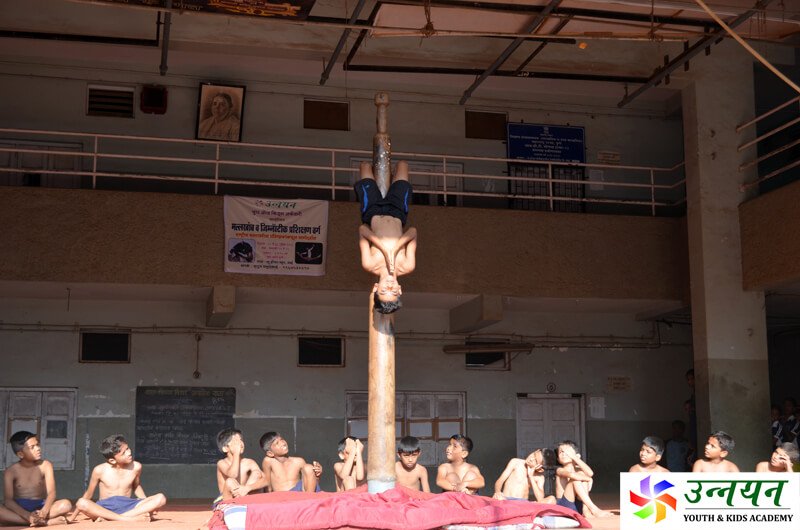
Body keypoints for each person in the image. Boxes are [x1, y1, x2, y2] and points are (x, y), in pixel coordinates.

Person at [355, 161, 417, 314]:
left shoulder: (370, 264)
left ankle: (385, 179)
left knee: (365, 166)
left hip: (373, 211)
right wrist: (396, 248)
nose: (389, 287)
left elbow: (362, 230)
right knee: (402, 165)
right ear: (400, 290)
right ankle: (391, 178)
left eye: (384, 291)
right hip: (398, 212)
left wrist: (382, 247)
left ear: (376, 288)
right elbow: (413, 232)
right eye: (393, 291)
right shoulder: (407, 266)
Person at [75, 434, 166, 522]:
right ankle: (127, 519)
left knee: (160, 498)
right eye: (123, 453)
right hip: (104, 508)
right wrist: (72, 517)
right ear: (112, 460)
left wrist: (146, 503)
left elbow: (136, 486)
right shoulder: (99, 470)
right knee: (81, 503)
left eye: (127, 448)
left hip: (128, 505)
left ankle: (113, 519)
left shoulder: (136, 467)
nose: (129, 453)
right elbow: (88, 494)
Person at [1, 431, 72, 527]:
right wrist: (27, 516)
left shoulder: (46, 465)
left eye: (37, 444)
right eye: (32, 447)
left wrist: (44, 511)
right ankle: (47, 522)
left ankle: (34, 520)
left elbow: (52, 493)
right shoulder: (10, 471)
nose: (38, 448)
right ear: (20, 454)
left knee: (66, 505)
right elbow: (8, 501)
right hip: (20, 509)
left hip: (41, 507)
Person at [554, 440, 611, 518]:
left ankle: (585, 510)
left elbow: (590, 473)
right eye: (561, 452)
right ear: (558, 459)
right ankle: (594, 509)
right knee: (575, 479)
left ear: (577, 456)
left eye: (567, 452)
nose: (564, 454)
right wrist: (589, 479)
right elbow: (571, 475)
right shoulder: (559, 470)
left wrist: (574, 457)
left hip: (578, 506)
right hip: (564, 506)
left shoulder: (579, 470)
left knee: (581, 474)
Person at [215, 428, 265, 505]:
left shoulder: (249, 462)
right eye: (236, 441)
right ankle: (242, 501)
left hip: (245, 495)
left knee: (257, 473)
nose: (240, 443)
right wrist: (236, 453)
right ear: (225, 448)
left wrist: (248, 488)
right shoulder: (222, 463)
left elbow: (265, 480)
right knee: (230, 481)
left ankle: (244, 501)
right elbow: (233, 475)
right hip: (227, 499)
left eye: (241, 440)